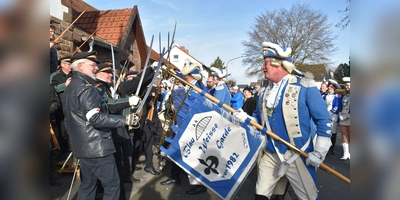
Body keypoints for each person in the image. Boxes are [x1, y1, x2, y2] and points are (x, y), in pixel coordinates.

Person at [234, 42, 331, 200]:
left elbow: (323, 120)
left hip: (297, 153)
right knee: (260, 194)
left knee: (309, 196)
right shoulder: (265, 91)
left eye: (265, 63)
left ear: (279, 65)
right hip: (271, 152)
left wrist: (320, 151)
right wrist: (247, 119)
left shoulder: (305, 86)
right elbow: (260, 120)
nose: (262, 67)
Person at [62, 51, 138, 200]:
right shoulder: (87, 88)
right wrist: (125, 120)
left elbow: (69, 120)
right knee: (112, 185)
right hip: (97, 148)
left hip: (83, 147)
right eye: (93, 65)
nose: (96, 68)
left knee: (88, 185)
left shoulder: (71, 87)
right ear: (81, 66)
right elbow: (95, 118)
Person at [159, 59, 208, 195]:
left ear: (190, 75)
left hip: (192, 128)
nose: (184, 76)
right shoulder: (189, 87)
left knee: (194, 156)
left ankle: (199, 184)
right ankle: (175, 177)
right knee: (176, 152)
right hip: (182, 126)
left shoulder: (198, 88)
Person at [50, 56, 73, 162]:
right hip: (61, 109)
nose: (70, 66)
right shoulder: (56, 77)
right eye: (68, 64)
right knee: (63, 132)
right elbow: (52, 90)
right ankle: (64, 152)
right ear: (62, 65)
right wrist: (65, 85)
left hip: (73, 107)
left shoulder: (75, 76)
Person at [324, 79, 342, 156]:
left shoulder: (337, 96)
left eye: (331, 86)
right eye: (329, 86)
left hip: (333, 116)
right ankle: (325, 148)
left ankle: (331, 149)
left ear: (334, 88)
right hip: (326, 115)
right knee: (326, 132)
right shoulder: (326, 95)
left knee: (333, 132)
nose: (330, 87)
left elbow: (336, 106)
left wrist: (330, 114)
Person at [338, 77, 350, 160]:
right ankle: (346, 153)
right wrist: (340, 114)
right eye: (346, 85)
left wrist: (348, 115)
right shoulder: (345, 96)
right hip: (343, 116)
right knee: (344, 134)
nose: (347, 87)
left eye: (348, 85)